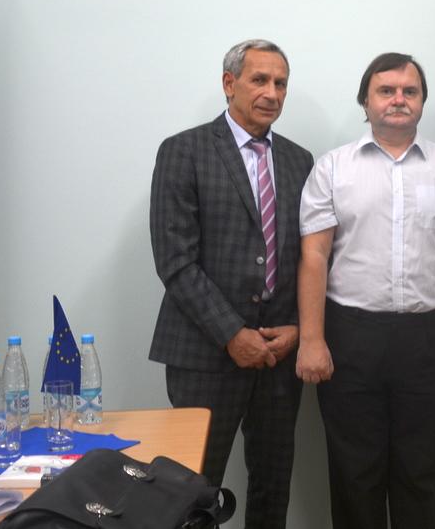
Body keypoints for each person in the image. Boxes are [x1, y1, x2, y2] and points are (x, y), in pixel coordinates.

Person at [296, 52, 435, 529]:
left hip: (430, 339)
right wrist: (312, 339)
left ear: (423, 101)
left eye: (410, 91)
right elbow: (314, 256)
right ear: (365, 102)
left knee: (422, 473)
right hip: (350, 336)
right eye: (386, 91)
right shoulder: (333, 168)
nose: (398, 99)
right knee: (354, 474)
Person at [148, 39, 312, 529]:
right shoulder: (184, 151)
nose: (272, 93)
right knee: (193, 495)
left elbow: (312, 257)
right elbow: (175, 260)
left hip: (279, 356)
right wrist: (231, 334)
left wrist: (299, 327)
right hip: (205, 354)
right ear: (229, 83)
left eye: (280, 83)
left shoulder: (300, 161)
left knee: (273, 488)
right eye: (259, 80)